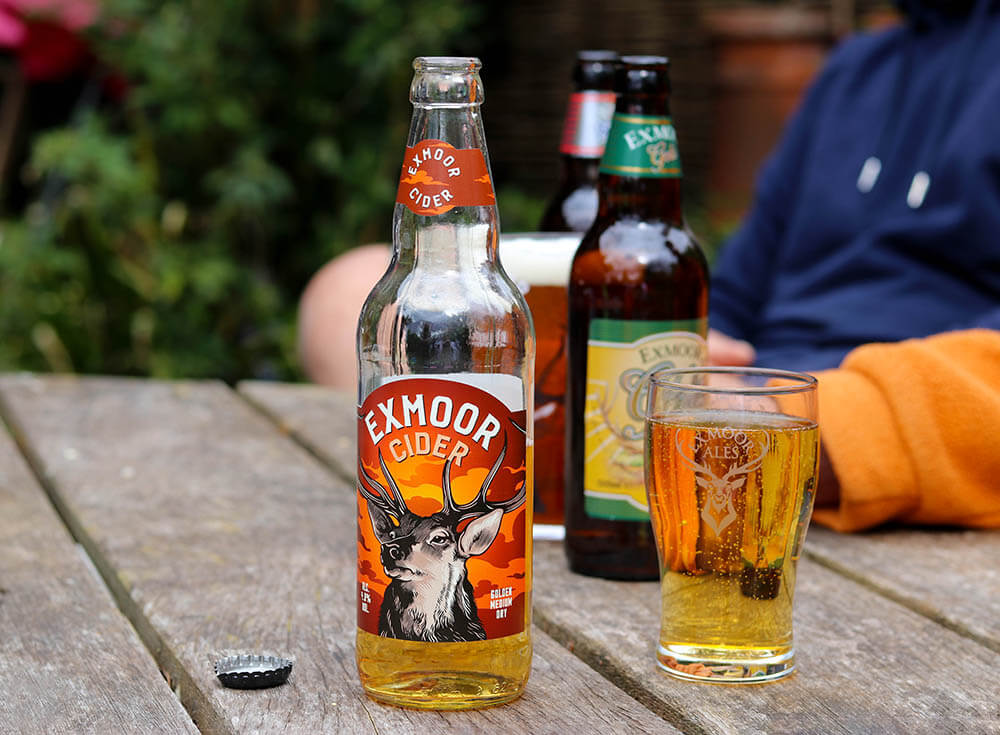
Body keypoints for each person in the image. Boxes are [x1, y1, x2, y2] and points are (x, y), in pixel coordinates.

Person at [299, 0, 1000, 531]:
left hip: (807, 452)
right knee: (346, 291)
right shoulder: (855, 72)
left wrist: (788, 417)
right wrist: (680, 367)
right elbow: (732, 299)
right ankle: (448, 493)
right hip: (693, 418)